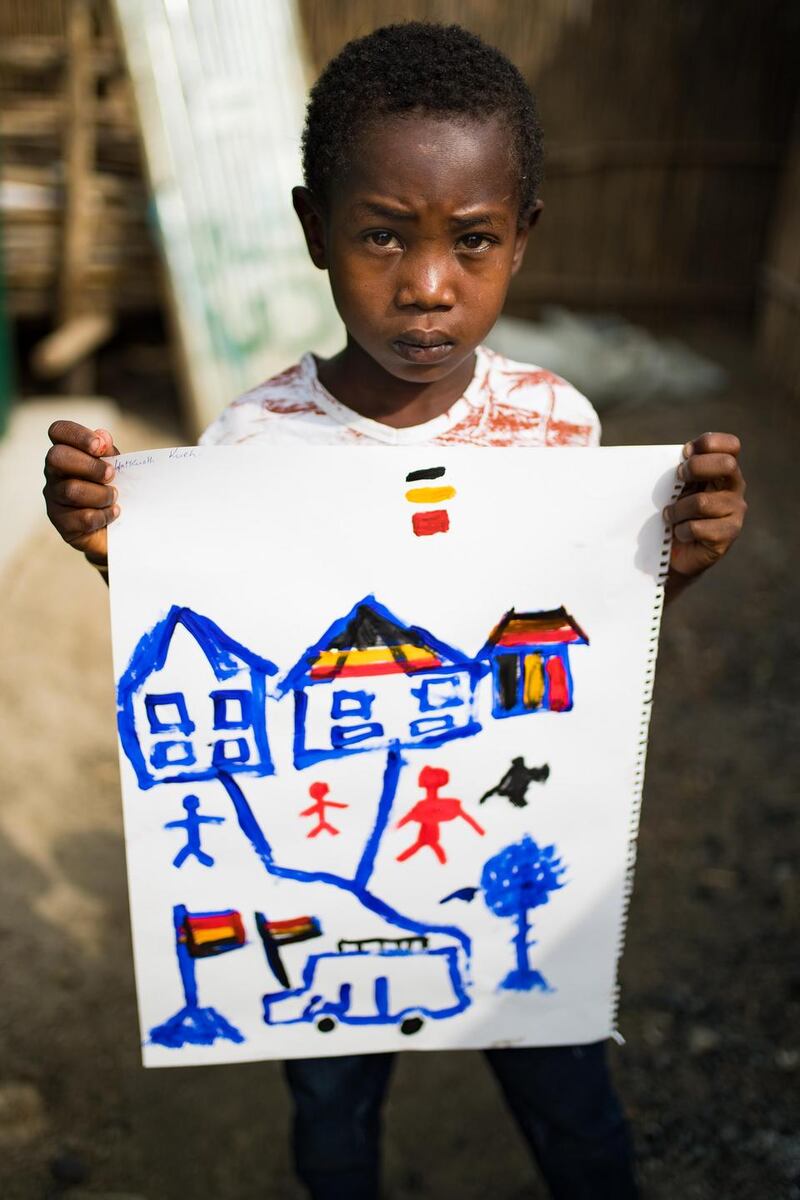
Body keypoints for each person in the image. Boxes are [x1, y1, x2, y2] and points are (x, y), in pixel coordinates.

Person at [42, 22, 747, 1200]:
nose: (426, 283)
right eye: (380, 235)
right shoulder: (251, 443)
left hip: (510, 856)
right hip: (332, 879)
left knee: (571, 1106)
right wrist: (121, 552)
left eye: (471, 241)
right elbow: (230, 641)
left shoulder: (558, 434)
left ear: (521, 238)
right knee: (329, 1104)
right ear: (314, 227)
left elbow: (584, 651)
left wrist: (670, 565)